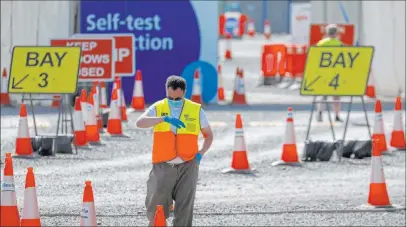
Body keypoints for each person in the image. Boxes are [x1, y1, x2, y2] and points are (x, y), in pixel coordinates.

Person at [136, 75, 214, 226]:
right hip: (163, 164)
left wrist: (200, 154)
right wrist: (163, 119)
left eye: (177, 99)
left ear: (184, 92)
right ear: (166, 91)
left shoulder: (196, 110)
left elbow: (208, 135)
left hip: (188, 165)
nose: (173, 102)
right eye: (170, 98)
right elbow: (140, 122)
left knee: (185, 207)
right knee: (156, 206)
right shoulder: (158, 107)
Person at [316, 24, 343, 122]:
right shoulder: (339, 44)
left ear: (327, 33)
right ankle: (336, 115)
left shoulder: (320, 43)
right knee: (336, 96)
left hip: (323, 72)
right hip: (335, 73)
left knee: (323, 95)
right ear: (336, 33)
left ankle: (319, 113)